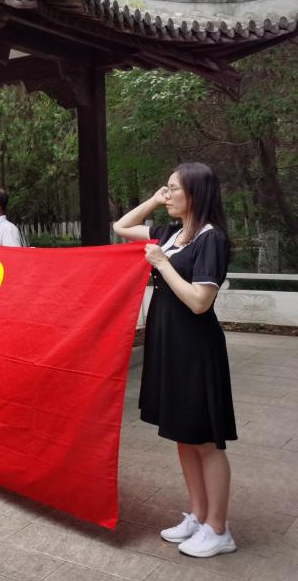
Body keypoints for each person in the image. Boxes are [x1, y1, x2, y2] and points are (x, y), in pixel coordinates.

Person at [113, 162, 236, 558]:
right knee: (183, 434)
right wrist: (153, 200)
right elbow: (121, 226)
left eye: (173, 189)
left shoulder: (211, 239)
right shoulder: (171, 233)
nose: (167, 195)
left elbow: (201, 302)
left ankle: (218, 528)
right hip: (169, 344)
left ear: (195, 194)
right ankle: (199, 516)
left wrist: (163, 264)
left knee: (205, 440)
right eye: (165, 188)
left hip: (196, 348)